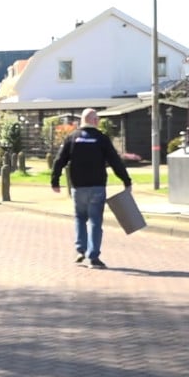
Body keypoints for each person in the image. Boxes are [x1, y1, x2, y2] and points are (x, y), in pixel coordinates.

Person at [50, 108, 132, 269]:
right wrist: (126, 180)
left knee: (80, 217)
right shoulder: (101, 139)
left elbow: (59, 160)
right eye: (98, 119)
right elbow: (115, 161)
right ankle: (93, 256)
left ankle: (81, 249)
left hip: (78, 186)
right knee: (95, 220)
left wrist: (55, 181)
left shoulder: (72, 138)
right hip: (97, 186)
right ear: (94, 121)